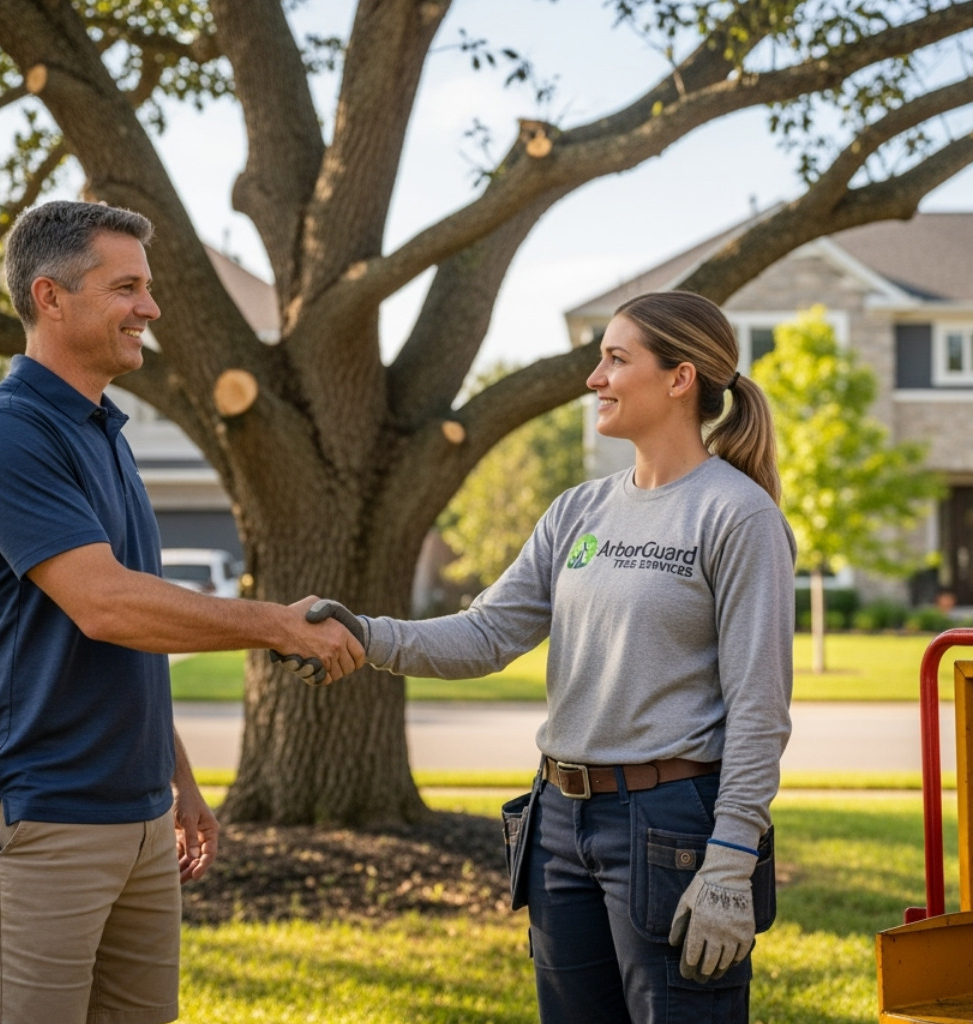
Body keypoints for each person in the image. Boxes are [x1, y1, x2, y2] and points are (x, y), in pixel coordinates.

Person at [0, 199, 364, 1024]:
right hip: (37, 818)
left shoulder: (104, 433)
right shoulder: (4, 433)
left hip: (134, 815)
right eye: (127, 286)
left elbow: (133, 630)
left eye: (149, 286)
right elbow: (103, 606)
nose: (152, 308)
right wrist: (274, 623)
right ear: (50, 296)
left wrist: (176, 778)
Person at [332, 291, 795, 1022]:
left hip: (670, 823)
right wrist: (364, 634)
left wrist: (732, 861)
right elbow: (487, 634)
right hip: (558, 821)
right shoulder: (578, 511)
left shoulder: (736, 515)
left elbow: (759, 707)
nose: (594, 379)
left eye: (616, 359)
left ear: (680, 379)